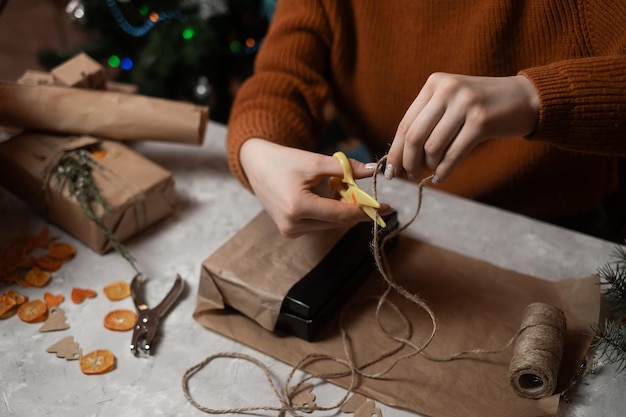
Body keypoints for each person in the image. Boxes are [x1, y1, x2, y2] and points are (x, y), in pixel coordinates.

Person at [226, 0, 626, 239]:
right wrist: (257, 151)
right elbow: (283, 77)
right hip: (402, 207)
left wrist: (536, 98)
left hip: (554, 228)